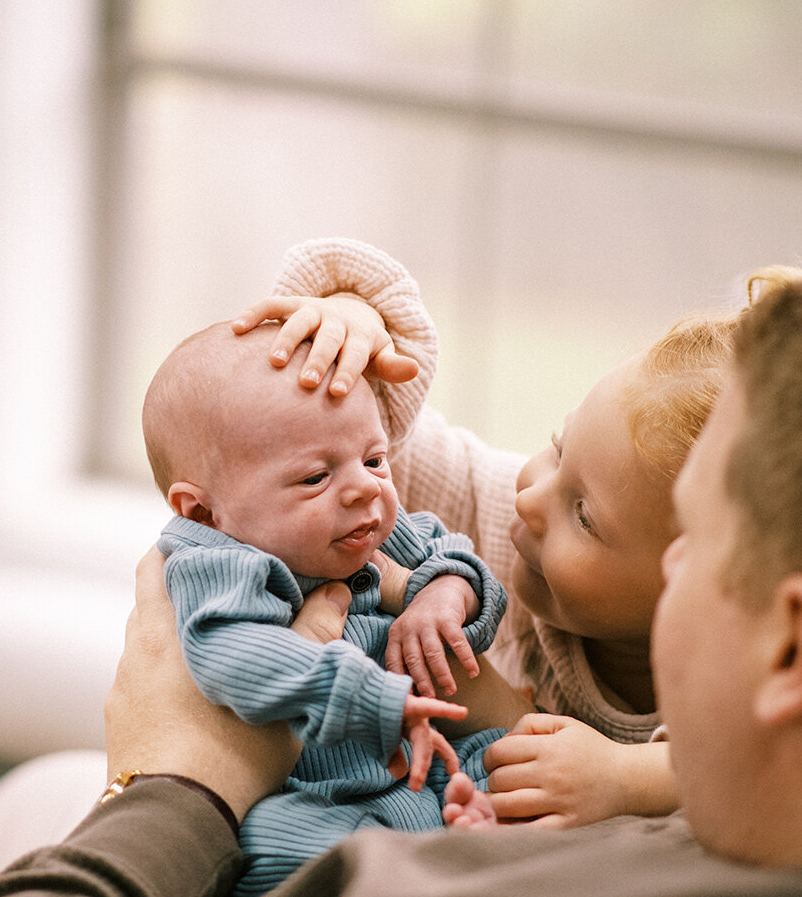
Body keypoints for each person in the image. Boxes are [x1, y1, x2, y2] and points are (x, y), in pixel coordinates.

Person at [0, 272, 802, 897]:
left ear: (787, 648)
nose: (531, 503)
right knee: (34, 793)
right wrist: (342, 323)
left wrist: (180, 788)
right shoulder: (726, 876)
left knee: (27, 814)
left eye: (694, 548)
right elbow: (380, 441)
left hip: (277, 842)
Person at [234, 238, 744, 827]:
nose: (530, 498)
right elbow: (383, 453)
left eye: (584, 516)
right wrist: (350, 328)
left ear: (697, 585)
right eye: (557, 448)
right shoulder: (514, 520)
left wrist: (630, 778)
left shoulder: (734, 676)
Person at [143, 320, 507, 897]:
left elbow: (456, 556)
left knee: (510, 758)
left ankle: (475, 836)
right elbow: (234, 655)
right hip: (310, 790)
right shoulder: (215, 561)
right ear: (204, 511)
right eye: (316, 476)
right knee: (271, 846)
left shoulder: (368, 531)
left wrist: (444, 596)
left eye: (376, 458)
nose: (364, 488)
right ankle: (417, 884)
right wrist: (373, 698)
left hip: (419, 767)